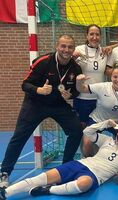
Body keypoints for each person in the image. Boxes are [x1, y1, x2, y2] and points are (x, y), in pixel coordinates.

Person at [0, 35, 83, 188]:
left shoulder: (75, 68)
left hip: (58, 104)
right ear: (57, 46)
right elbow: (25, 84)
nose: (66, 50)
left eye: (70, 47)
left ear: (74, 49)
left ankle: (65, 168)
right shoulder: (43, 62)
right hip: (35, 103)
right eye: (63, 46)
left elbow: (76, 92)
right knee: (19, 136)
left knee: (77, 129)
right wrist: (39, 90)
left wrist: (70, 95)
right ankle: (4, 172)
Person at [0, 120, 118, 199]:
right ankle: (5, 193)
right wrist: (105, 124)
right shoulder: (107, 140)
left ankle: (48, 190)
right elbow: (87, 132)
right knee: (42, 177)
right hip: (80, 164)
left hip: (94, 175)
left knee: (84, 184)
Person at [76, 66, 118, 157]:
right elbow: (81, 89)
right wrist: (79, 81)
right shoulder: (102, 87)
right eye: (115, 77)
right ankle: (90, 162)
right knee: (87, 144)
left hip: (116, 121)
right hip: (98, 120)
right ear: (111, 77)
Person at [73, 24, 110, 128]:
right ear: (86, 36)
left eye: (97, 34)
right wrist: (73, 56)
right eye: (91, 34)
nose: (94, 37)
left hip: (99, 98)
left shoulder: (104, 51)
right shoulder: (78, 50)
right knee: (82, 129)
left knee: (97, 129)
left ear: (101, 36)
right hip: (82, 98)